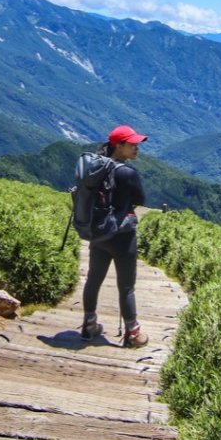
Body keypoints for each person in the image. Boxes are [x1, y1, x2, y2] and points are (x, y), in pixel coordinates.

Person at [81, 124, 149, 348]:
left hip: (98, 233)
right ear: (119, 146)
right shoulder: (127, 173)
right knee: (126, 286)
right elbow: (141, 199)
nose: (137, 147)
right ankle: (132, 333)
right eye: (132, 144)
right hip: (122, 236)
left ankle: (89, 326)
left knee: (94, 279)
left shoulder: (96, 168)